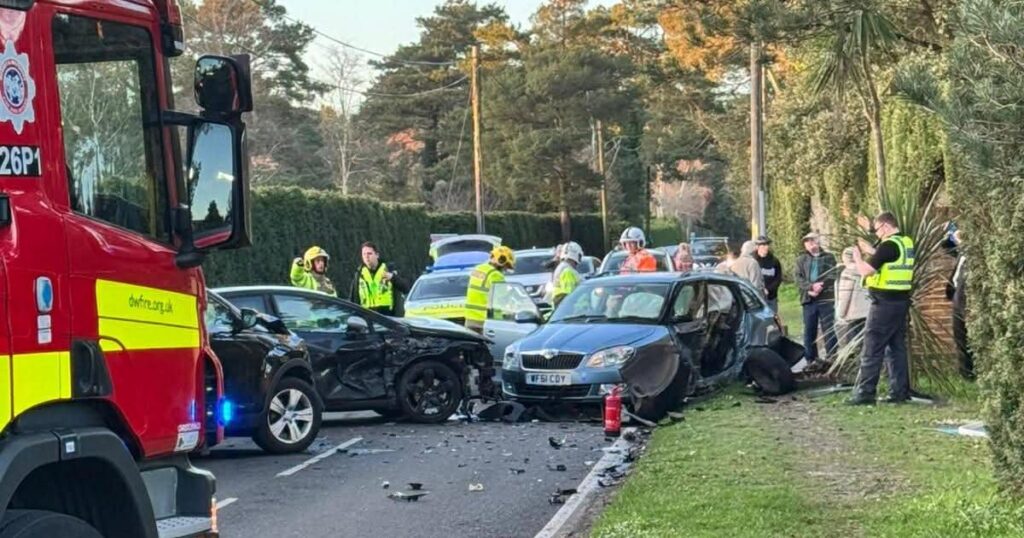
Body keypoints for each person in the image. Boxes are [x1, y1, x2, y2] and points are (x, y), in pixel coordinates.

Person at [848, 211, 915, 405]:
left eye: (877, 230)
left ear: (886, 226)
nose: (877, 234)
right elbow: (889, 260)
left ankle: (865, 393)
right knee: (896, 348)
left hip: (884, 303)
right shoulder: (906, 242)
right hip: (901, 302)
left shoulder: (888, 246)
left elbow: (866, 271)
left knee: (872, 347)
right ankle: (899, 392)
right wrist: (871, 251)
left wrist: (858, 258)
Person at [794, 233, 839, 370]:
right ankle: (811, 359)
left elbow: (833, 274)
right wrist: (810, 287)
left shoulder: (828, 257)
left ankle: (832, 357)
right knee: (809, 329)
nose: (810, 245)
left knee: (828, 328)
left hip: (825, 297)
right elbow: (798, 278)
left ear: (818, 243)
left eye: (812, 242)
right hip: (809, 298)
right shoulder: (801, 259)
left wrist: (821, 285)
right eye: (807, 242)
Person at [348, 241, 410, 316]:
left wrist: (393, 278)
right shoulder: (359, 274)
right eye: (364, 254)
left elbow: (406, 288)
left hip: (389, 317)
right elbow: (352, 300)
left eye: (369, 254)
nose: (366, 257)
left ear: (377, 255)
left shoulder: (389, 269)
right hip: (367, 318)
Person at [464, 245, 515, 333]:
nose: (506, 269)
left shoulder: (478, 268)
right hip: (485, 320)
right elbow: (501, 300)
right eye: (507, 265)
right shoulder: (495, 275)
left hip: (470, 317)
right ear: (502, 261)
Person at [945, 230, 973, 379]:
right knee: (960, 337)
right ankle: (966, 374)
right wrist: (948, 233)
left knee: (970, 337)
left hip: (967, 299)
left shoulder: (973, 253)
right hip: (957, 296)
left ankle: (973, 373)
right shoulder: (962, 253)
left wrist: (961, 240)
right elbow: (946, 246)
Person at [835, 246, 870, 347]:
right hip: (868, 312)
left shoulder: (848, 273)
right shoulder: (866, 269)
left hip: (854, 314)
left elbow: (845, 295)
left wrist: (841, 314)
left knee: (853, 345)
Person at [754, 236, 783, 311]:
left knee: (772, 319)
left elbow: (778, 278)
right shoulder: (753, 262)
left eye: (767, 244)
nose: (766, 247)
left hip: (771, 297)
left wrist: (768, 289)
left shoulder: (774, 261)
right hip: (757, 298)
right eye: (763, 245)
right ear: (757, 247)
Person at [552, 242, 583, 307]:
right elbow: (570, 295)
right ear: (576, 255)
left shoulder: (563, 267)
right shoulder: (568, 271)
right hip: (575, 310)